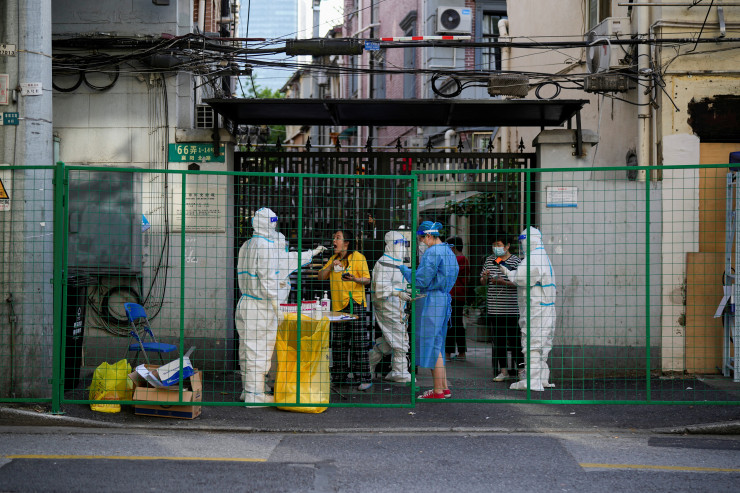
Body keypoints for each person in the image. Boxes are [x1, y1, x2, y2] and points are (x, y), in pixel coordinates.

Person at [235, 208, 325, 405]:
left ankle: (249, 389)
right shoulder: (265, 246)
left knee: (247, 349)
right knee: (260, 350)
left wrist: (311, 253)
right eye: (272, 221)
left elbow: (286, 260)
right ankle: (255, 395)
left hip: (246, 303)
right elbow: (268, 278)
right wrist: (276, 304)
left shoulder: (248, 244)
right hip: (261, 306)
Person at [398, 221, 458, 399]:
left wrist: (405, 270)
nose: (422, 243)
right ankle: (444, 387)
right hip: (444, 298)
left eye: (422, 239)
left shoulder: (433, 252)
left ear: (429, 236)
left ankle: (438, 390)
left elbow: (421, 280)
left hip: (431, 300)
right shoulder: (448, 250)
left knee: (432, 344)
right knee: (438, 342)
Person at [497, 226, 557, 391]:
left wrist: (504, 269)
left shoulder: (533, 259)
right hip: (546, 308)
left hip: (536, 308)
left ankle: (531, 381)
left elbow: (520, 279)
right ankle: (541, 378)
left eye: (523, 242)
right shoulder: (543, 257)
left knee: (532, 344)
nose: (522, 246)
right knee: (543, 345)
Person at [318, 229, 373, 391]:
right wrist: (331, 266)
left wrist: (354, 278)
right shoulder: (333, 259)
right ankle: (339, 377)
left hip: (354, 303)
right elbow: (320, 276)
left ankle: (363, 377)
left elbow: (367, 279)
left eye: (338, 238)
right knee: (338, 343)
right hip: (337, 305)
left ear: (346, 243)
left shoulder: (358, 257)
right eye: (334, 238)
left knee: (358, 343)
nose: (334, 241)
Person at [369, 231, 412, 383]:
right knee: (400, 339)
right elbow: (381, 288)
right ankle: (400, 372)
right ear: (389, 244)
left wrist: (409, 290)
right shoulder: (382, 263)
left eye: (404, 244)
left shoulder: (399, 263)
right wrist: (398, 293)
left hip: (399, 307)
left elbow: (403, 283)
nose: (402, 247)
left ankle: (368, 363)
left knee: (393, 338)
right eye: (399, 244)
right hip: (386, 306)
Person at [480, 233, 522, 382]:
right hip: (494, 308)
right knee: (499, 341)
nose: (495, 248)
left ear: (507, 246)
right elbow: (482, 281)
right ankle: (503, 371)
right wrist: (485, 277)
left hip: (512, 308)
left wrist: (503, 283)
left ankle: (521, 370)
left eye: (498, 245)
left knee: (515, 341)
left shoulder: (516, 261)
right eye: (494, 245)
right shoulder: (490, 260)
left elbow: (520, 283)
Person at [445, 236, 469, 362]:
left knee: (451, 324)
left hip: (454, 295)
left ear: (452, 247)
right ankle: (461, 352)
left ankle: (448, 352)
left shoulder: (459, 259)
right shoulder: (462, 259)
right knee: (457, 323)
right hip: (458, 295)